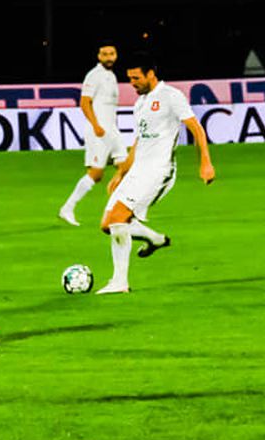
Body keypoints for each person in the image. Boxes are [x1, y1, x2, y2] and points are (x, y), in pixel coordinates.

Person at [95, 54, 215, 294]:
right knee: (107, 224)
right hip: (138, 169)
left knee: (119, 218)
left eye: (136, 78)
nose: (132, 83)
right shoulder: (140, 103)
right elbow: (139, 141)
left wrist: (205, 163)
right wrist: (121, 173)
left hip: (159, 170)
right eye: (129, 78)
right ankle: (155, 239)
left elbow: (196, 128)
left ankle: (120, 282)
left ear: (151, 74)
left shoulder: (171, 96)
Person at [59, 42, 125, 226]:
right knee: (96, 174)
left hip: (112, 130)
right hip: (99, 132)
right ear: (99, 56)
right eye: (105, 54)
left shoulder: (111, 76)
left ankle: (123, 211)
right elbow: (84, 102)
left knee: (126, 168)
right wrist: (96, 125)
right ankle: (68, 208)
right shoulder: (94, 75)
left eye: (112, 53)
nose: (109, 57)